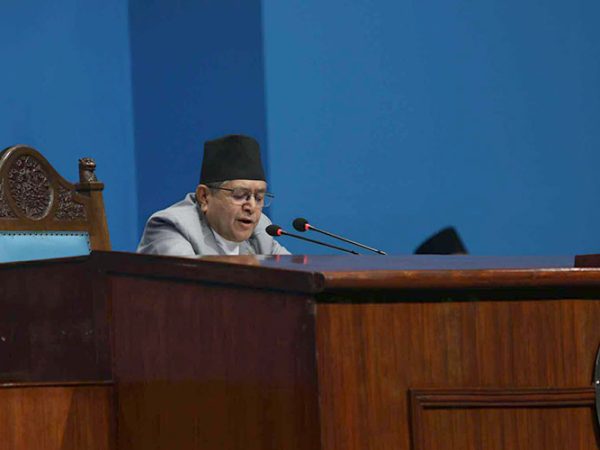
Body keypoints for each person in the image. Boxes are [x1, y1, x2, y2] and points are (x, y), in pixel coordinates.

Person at [137, 134, 290, 256]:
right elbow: (194, 283)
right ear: (204, 197)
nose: (251, 207)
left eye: (258, 198)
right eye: (239, 195)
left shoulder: (262, 229)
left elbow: (293, 275)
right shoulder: (172, 227)